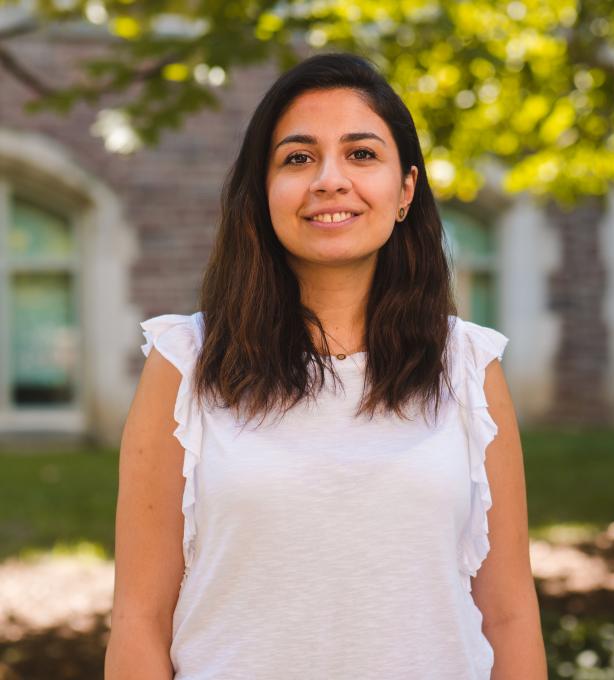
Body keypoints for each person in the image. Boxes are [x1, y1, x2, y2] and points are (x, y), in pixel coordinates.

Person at [105, 52, 547, 680]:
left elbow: (509, 615)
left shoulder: (469, 366)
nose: (329, 180)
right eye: (298, 157)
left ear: (405, 191)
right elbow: (138, 620)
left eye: (362, 154)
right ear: (262, 191)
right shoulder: (185, 364)